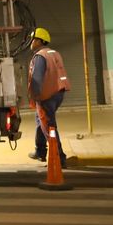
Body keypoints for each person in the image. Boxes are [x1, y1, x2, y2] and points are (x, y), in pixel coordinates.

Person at [27, 26, 71, 167]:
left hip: (46, 95)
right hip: (58, 93)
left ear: (39, 41)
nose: (31, 42)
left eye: (32, 39)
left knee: (49, 126)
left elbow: (37, 79)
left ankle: (59, 156)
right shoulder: (53, 53)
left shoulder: (40, 56)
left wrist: (35, 97)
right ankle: (40, 151)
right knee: (40, 121)